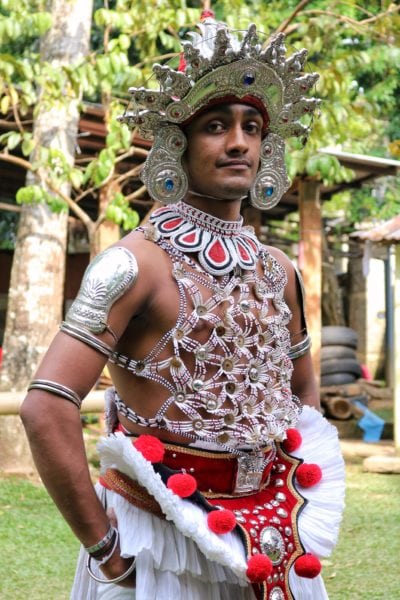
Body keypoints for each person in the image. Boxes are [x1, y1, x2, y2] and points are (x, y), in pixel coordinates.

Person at [21, 13, 345, 600]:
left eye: (252, 126)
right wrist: (109, 556)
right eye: (216, 125)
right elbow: (45, 408)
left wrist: (297, 499)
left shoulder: (280, 270)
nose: (239, 141)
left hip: (272, 537)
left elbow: (303, 400)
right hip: (156, 543)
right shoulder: (131, 265)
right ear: (178, 143)